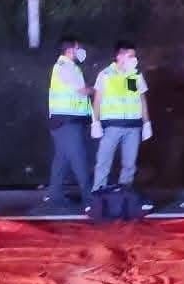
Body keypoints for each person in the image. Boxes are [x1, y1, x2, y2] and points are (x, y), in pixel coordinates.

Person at [92, 41, 151, 190]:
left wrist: (146, 123)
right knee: (103, 162)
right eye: (130, 56)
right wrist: (95, 122)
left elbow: (141, 100)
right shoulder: (105, 74)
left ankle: (125, 195)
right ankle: (98, 194)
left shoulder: (135, 75)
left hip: (133, 127)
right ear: (119, 56)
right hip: (112, 127)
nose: (134, 59)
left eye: (134, 56)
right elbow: (97, 100)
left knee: (130, 165)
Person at [45, 36, 93, 210]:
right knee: (79, 159)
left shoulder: (67, 67)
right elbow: (81, 91)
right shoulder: (66, 67)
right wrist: (97, 90)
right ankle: (89, 198)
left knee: (62, 160)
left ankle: (54, 196)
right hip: (67, 122)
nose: (81, 51)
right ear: (70, 50)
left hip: (63, 121)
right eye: (78, 48)